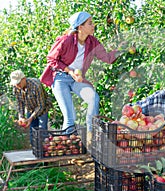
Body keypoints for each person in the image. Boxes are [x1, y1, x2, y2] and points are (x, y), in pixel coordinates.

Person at [40, 11, 124, 148]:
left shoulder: (92, 42)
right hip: (61, 78)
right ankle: (68, 148)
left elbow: (107, 59)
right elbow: (51, 59)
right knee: (70, 116)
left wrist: (121, 49)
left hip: (77, 80)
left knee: (93, 98)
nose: (93, 26)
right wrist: (70, 71)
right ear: (80, 27)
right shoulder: (66, 40)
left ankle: (91, 136)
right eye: (90, 23)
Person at [10, 70, 52, 146]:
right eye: (15, 83)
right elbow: (20, 104)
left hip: (42, 108)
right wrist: (21, 117)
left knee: (42, 131)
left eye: (18, 83)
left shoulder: (36, 85)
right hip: (30, 108)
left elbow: (41, 106)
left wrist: (30, 119)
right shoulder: (16, 88)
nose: (17, 85)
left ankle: (44, 150)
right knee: (33, 132)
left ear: (24, 79)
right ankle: (35, 150)